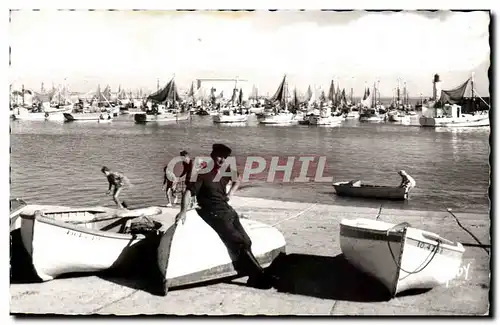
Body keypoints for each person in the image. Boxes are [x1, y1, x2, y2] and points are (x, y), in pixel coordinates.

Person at [175, 144, 278, 289]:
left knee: (247, 241)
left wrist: (230, 194)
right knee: (239, 242)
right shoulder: (202, 173)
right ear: (212, 155)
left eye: (225, 158)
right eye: (219, 156)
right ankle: (258, 276)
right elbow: (189, 192)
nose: (222, 160)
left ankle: (254, 273)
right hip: (213, 212)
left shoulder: (225, 170)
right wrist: (183, 211)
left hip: (228, 210)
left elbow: (239, 178)